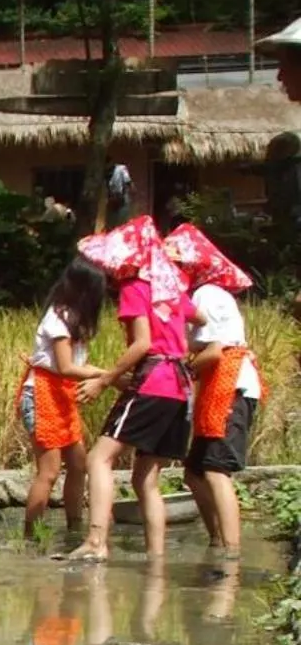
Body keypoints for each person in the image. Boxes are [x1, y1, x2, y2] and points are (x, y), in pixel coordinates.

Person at [65, 216, 194, 562]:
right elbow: (200, 319)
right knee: (145, 478)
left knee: (98, 458)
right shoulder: (170, 286)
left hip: (154, 381)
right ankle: (156, 557)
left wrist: (104, 380)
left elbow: (141, 344)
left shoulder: (135, 288)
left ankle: (95, 543)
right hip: (180, 388)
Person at [166, 223, 260, 556]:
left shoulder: (207, 294)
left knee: (216, 470)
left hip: (230, 386)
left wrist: (185, 369)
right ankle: (216, 540)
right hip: (219, 388)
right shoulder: (205, 294)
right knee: (194, 473)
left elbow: (215, 351)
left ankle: (231, 553)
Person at [18, 257, 108, 542]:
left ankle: (74, 527)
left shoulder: (75, 319)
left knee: (78, 463)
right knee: (49, 470)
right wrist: (107, 375)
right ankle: (31, 535)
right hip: (41, 396)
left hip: (61, 397)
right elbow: (67, 367)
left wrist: (102, 377)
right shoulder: (58, 318)